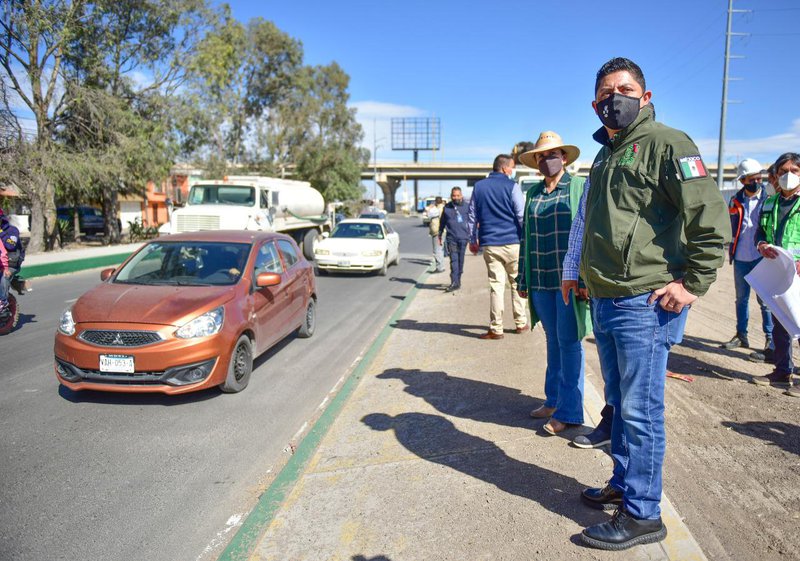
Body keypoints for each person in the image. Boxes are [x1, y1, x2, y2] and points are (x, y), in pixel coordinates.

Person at [575, 57, 729, 551]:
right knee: (620, 406)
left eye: (624, 88)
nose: (613, 97)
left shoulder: (668, 143)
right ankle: (623, 484)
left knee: (641, 411)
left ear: (644, 95)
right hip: (607, 298)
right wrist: (584, 277)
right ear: (595, 103)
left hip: (645, 301)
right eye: (605, 92)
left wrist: (693, 283)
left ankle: (643, 515)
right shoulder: (605, 154)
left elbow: (708, 218)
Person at [515, 131, 591, 435]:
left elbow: (588, 234)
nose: (548, 160)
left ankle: (571, 412)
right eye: (543, 156)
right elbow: (526, 238)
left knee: (570, 342)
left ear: (565, 157)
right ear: (536, 162)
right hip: (541, 279)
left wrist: (584, 277)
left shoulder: (579, 187)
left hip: (569, 281)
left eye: (553, 154)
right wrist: (523, 276)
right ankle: (553, 399)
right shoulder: (533, 194)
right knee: (552, 340)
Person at [752, 152, 800, 398]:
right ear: (776, 176)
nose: (788, 176)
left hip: (799, 271)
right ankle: (782, 372)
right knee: (781, 319)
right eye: (783, 172)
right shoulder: (770, 203)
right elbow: (760, 230)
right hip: (777, 268)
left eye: (794, 171)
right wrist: (761, 244)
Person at [467, 154, 527, 339]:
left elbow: (471, 216)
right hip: (514, 243)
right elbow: (521, 215)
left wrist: (472, 240)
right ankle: (521, 323)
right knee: (517, 283)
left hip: (490, 245)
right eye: (511, 167)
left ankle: (496, 328)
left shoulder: (479, 187)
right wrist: (526, 237)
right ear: (504, 168)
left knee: (496, 286)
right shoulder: (512, 186)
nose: (512, 171)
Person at [720, 159, 774, 363]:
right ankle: (741, 335)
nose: (758, 181)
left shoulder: (769, 200)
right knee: (741, 299)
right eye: (753, 178)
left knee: (766, 302)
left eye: (759, 177)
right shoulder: (735, 201)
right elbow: (730, 226)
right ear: (743, 180)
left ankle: (770, 340)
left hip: (762, 258)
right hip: (741, 257)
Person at [438, 187, 469, 292]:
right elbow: (442, 222)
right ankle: (454, 282)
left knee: (460, 261)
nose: (455, 197)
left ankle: (458, 279)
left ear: (461, 195)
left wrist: (475, 236)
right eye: (453, 196)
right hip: (451, 239)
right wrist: (440, 234)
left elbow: (473, 221)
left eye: (457, 195)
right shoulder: (447, 208)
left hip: (464, 238)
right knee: (453, 261)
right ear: (451, 196)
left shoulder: (467, 207)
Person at [0, 209, 25, 316]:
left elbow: (10, 245)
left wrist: (1, 233)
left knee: (4, 277)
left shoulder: (12, 230)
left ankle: (3, 304)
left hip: (11, 264)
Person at [428, 197, 445, 273]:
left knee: (437, 250)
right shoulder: (442, 208)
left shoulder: (437, 209)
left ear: (435, 202)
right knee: (440, 249)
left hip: (437, 232)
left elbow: (429, 214)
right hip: (441, 231)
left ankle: (439, 268)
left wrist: (430, 207)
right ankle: (440, 266)